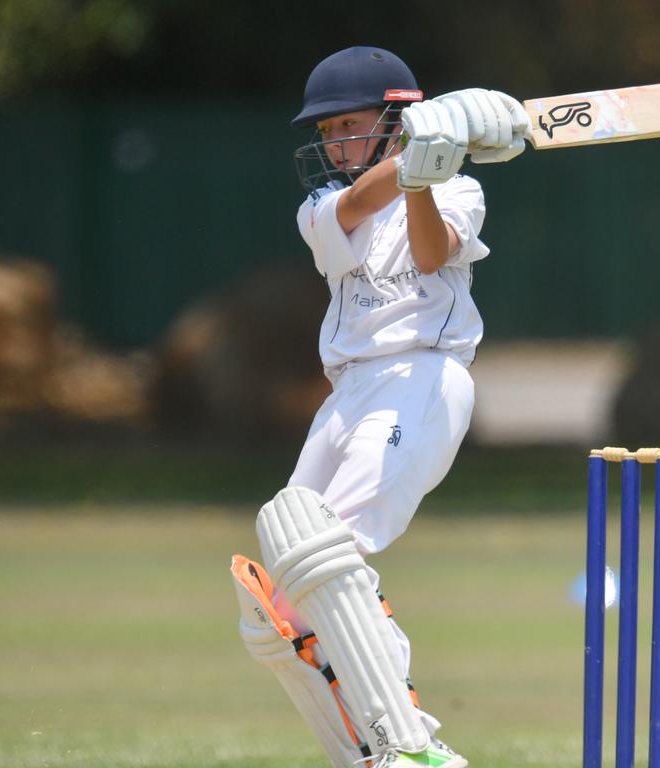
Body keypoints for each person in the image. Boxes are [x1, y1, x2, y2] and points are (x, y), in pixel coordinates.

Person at [231, 46, 529, 768]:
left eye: (349, 126)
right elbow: (363, 202)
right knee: (280, 592)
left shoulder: (458, 191)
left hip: (422, 376)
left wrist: (430, 170)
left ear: (394, 120)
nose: (334, 144)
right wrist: (435, 138)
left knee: (330, 553)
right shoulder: (322, 209)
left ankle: (411, 746)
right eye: (327, 132)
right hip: (352, 390)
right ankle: (365, 749)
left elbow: (431, 256)